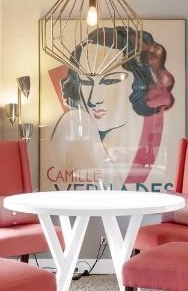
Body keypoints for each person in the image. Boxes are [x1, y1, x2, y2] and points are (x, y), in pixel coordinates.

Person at [48, 26, 175, 189]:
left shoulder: (157, 130)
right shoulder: (75, 126)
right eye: (85, 82)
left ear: (140, 82)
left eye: (110, 81)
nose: (94, 100)